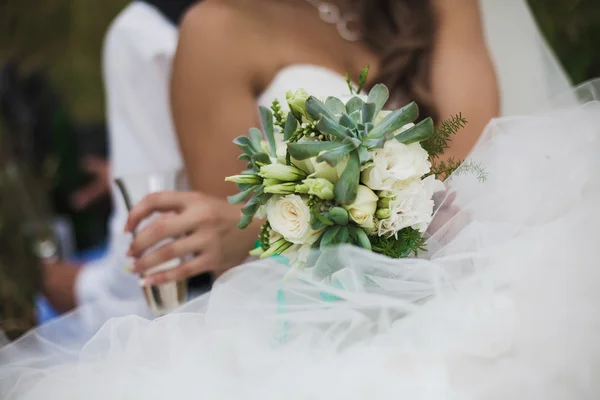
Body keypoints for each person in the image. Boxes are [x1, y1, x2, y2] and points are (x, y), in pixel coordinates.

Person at [2, 0, 599, 398]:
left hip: (487, 262)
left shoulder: (435, 5)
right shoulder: (217, 29)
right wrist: (257, 230)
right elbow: (252, 258)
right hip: (347, 319)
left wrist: (316, 208)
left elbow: (473, 147)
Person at [41, 0, 205, 324]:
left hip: (202, 307)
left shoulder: (141, 32)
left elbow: (149, 261)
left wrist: (72, 285)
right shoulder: (321, 15)